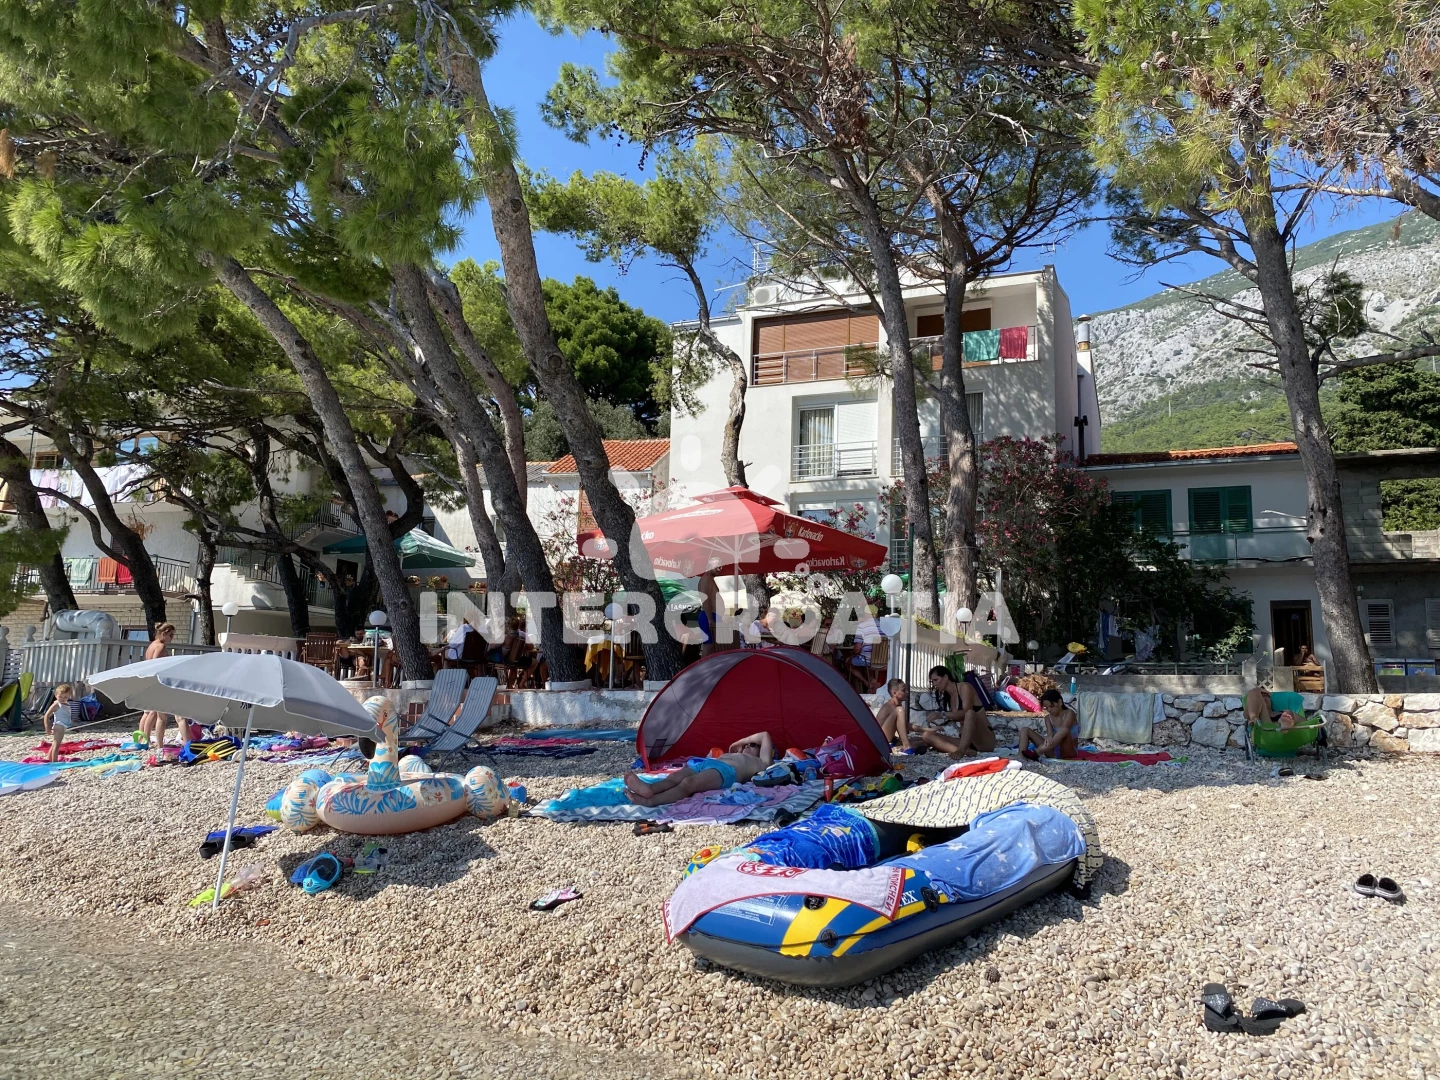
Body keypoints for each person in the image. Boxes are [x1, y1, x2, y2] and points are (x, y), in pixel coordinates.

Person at [623, 731, 775, 806]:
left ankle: (652, 801)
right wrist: (740, 747)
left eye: (753, 745)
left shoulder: (762, 762)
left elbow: (764, 735)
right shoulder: (735, 754)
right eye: (746, 745)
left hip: (727, 772)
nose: (747, 746)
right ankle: (650, 789)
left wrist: (740, 742)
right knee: (674, 777)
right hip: (709, 763)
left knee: (688, 783)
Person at [910, 665, 995, 757]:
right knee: (927, 736)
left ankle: (961, 751)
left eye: (936, 680)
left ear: (946, 677)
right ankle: (966, 751)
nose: (934, 684)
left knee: (970, 713)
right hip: (966, 741)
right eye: (932, 681)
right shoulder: (949, 697)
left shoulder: (964, 687)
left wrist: (942, 715)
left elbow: (965, 712)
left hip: (983, 739)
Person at [139, 623, 176, 753]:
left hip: (148, 681)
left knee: (146, 712)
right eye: (171, 635)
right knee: (154, 713)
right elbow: (156, 666)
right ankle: (146, 739)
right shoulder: (160, 646)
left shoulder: (152, 645)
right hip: (155, 682)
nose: (172, 638)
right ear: (164, 633)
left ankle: (142, 738)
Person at [1017, 689, 1079, 761]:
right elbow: (1050, 733)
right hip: (1052, 752)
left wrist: (1043, 747)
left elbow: (1065, 729)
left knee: (1064, 730)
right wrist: (1049, 736)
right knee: (1025, 730)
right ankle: (1021, 756)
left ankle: (1037, 752)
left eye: (1051, 706)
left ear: (1060, 702)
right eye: (1046, 708)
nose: (1049, 710)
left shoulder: (1069, 713)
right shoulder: (1048, 718)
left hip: (1068, 751)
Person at [42, 683, 76, 764]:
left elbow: (65, 714)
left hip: (63, 726)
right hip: (59, 726)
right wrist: (47, 727)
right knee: (57, 745)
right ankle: (55, 762)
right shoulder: (57, 704)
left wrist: (70, 720)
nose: (62, 699)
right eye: (60, 696)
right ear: (56, 695)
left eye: (65, 697)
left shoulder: (66, 704)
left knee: (54, 743)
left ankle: (49, 758)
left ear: (69, 696)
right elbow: (46, 715)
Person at [874, 678, 911, 747]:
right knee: (899, 710)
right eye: (903, 690)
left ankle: (904, 745)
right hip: (880, 740)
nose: (907, 692)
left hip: (890, 738)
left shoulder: (897, 705)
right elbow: (907, 726)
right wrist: (924, 730)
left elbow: (905, 725)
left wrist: (926, 730)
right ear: (894, 693)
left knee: (923, 740)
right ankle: (907, 747)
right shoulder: (890, 706)